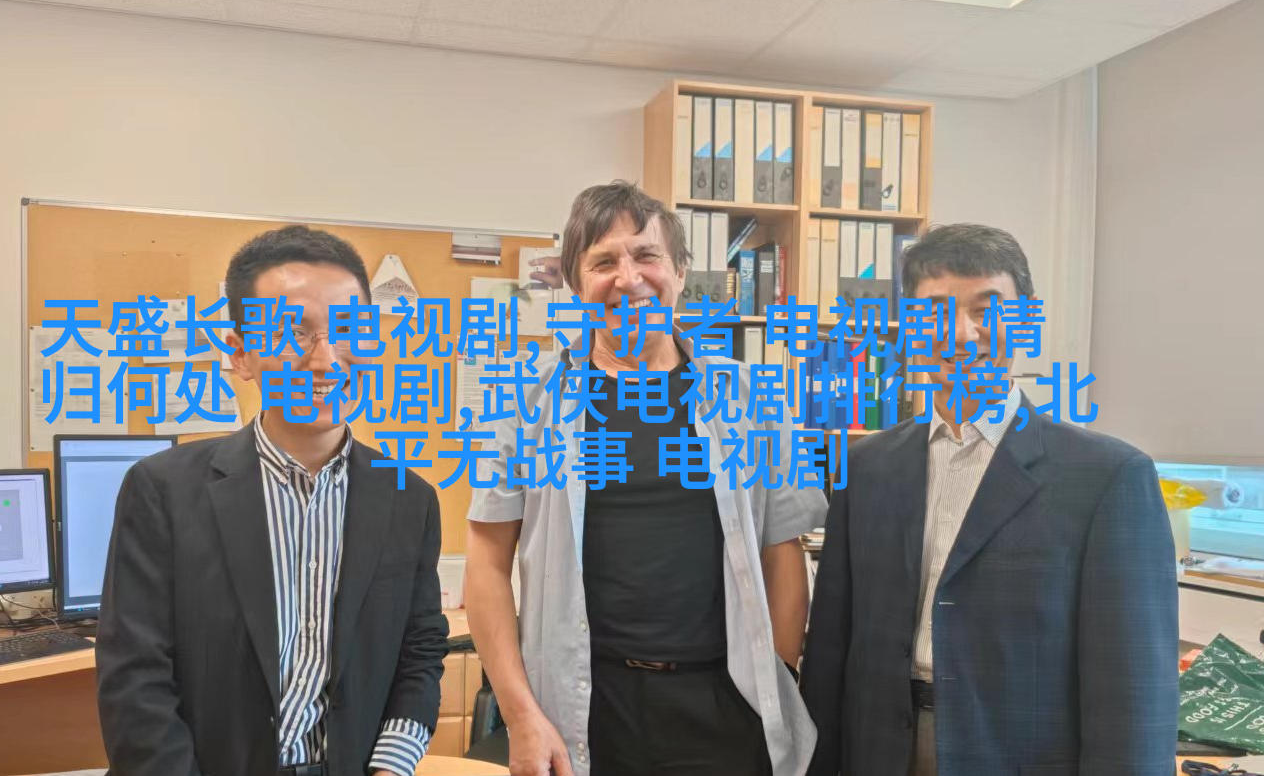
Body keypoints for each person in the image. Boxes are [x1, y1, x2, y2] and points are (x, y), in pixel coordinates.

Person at [465, 181, 827, 776]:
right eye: (603, 262)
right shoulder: (525, 400)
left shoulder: (750, 397)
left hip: (724, 710)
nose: (627, 278)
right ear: (576, 284)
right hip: (585, 710)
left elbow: (781, 554)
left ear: (680, 272)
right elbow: (486, 566)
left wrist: (779, 678)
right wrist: (521, 714)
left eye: (646, 255)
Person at [801, 223, 1178, 776]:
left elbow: (1134, 691)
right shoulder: (866, 466)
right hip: (878, 749)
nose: (961, 334)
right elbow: (832, 649)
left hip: (1016, 756)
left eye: (987, 308)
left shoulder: (1108, 477)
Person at [96, 225, 450, 776]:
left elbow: (420, 652)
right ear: (240, 354)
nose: (326, 359)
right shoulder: (162, 491)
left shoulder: (409, 499)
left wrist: (391, 764)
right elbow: (135, 678)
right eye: (295, 333)